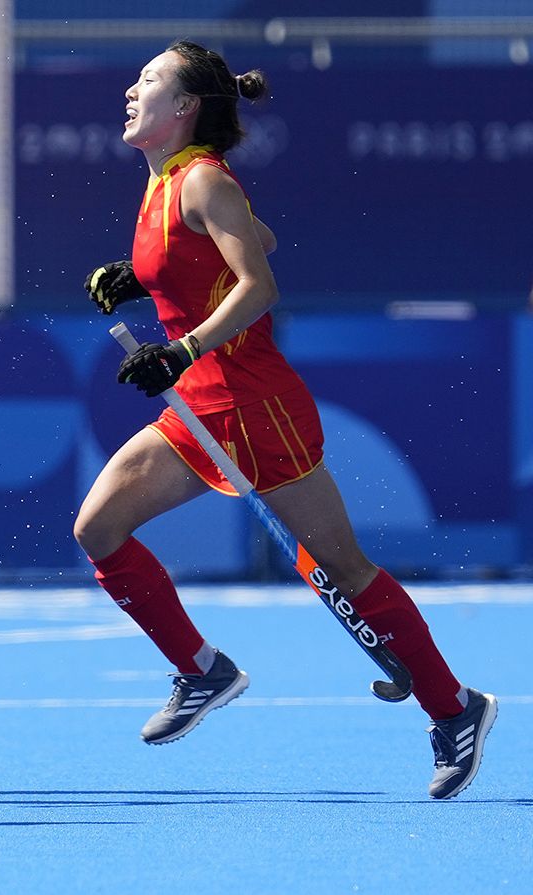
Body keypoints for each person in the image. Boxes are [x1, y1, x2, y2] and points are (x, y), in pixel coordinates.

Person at [77, 40, 496, 799]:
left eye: (148, 82)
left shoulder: (202, 179)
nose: (130, 92)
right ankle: (203, 670)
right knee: (98, 527)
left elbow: (258, 281)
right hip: (201, 407)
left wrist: (182, 349)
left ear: (185, 110)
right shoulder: (165, 183)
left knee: (344, 565)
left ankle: (455, 708)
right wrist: (137, 276)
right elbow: (252, 238)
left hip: (253, 405)